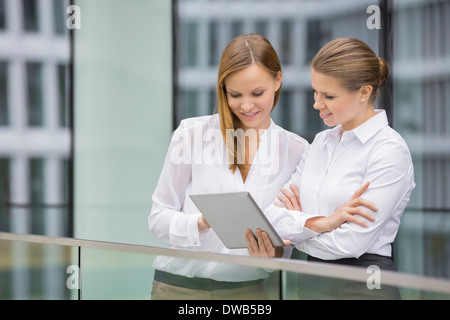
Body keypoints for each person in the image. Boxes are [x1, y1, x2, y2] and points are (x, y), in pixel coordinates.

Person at [147, 34, 372, 300]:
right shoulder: (191, 134)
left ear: (278, 81)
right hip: (179, 289)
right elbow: (158, 218)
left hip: (249, 292)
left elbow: (290, 232)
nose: (246, 105)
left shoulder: (297, 150)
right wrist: (201, 221)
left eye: (257, 93)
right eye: (235, 94)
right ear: (223, 89)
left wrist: (274, 253)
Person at [246, 37, 416, 299]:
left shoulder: (389, 150)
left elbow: (351, 243)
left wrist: (300, 227)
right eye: (315, 92)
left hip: (362, 286)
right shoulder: (321, 142)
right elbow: (272, 216)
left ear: (363, 92)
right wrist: (326, 222)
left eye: (329, 96)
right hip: (311, 282)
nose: (316, 103)